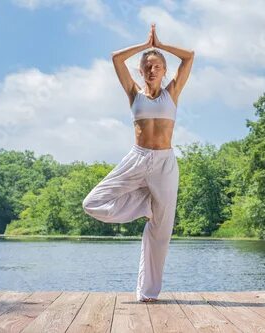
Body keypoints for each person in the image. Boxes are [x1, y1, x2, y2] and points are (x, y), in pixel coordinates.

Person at [82, 23, 194, 302]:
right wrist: (145, 47)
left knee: (162, 230)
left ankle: (148, 293)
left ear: (164, 71)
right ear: (141, 71)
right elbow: (116, 58)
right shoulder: (134, 93)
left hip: (165, 163)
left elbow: (189, 56)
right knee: (92, 203)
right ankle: (143, 205)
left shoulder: (172, 93)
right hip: (138, 158)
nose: (152, 71)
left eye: (157, 66)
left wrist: (161, 44)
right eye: (147, 67)